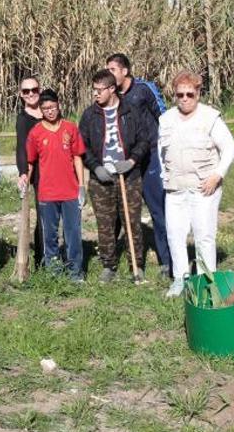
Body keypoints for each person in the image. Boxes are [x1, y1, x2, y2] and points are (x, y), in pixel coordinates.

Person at [157, 71, 234, 297]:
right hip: (175, 189)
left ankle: (206, 279)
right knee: (174, 233)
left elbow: (229, 148)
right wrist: (166, 177)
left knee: (204, 235)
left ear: (198, 93)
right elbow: (161, 153)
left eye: (189, 94)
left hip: (204, 188)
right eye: (179, 94)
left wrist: (217, 175)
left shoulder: (210, 118)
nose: (184, 98)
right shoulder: (166, 119)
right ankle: (180, 278)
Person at [79, 69, 151, 283]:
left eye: (99, 90)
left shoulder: (131, 111)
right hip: (101, 179)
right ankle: (109, 265)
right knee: (105, 224)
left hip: (129, 176)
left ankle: (136, 266)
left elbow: (144, 140)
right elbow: (83, 146)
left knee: (132, 221)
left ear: (112, 89)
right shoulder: (89, 115)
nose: (95, 94)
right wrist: (95, 167)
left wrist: (131, 161)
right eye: (93, 90)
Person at [106, 53, 169, 280]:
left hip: (151, 155)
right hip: (128, 160)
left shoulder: (143, 89)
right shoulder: (111, 96)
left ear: (124, 71)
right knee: (121, 213)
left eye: (113, 69)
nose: (110, 74)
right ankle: (112, 262)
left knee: (158, 210)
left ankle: (167, 261)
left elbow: (164, 115)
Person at [25, 89, 87, 281]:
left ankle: (75, 272)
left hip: (69, 192)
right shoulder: (36, 133)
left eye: (52, 107)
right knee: (49, 236)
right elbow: (30, 162)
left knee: (73, 234)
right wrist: (25, 181)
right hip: (47, 194)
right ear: (41, 110)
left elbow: (77, 157)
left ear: (59, 105)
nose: (49, 111)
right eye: (45, 109)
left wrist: (82, 187)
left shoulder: (70, 128)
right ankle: (53, 272)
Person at [14, 76, 45, 264]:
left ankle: (57, 253)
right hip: (39, 172)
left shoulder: (49, 110)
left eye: (34, 89)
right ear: (21, 95)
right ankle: (41, 257)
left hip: (55, 167)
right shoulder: (23, 119)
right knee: (43, 213)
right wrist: (23, 172)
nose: (31, 94)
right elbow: (21, 148)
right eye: (26, 91)